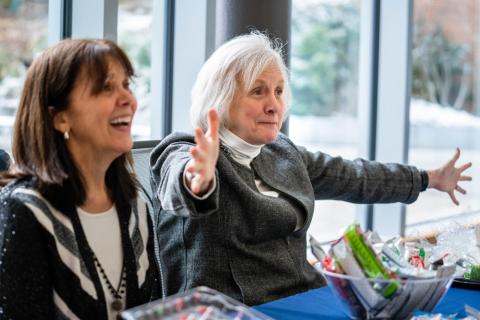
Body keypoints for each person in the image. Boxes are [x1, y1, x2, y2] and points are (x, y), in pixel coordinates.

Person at [150, 32, 472, 305]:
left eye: (278, 91)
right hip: (241, 310)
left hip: (306, 296)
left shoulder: (281, 153)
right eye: (258, 91)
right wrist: (198, 182)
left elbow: (354, 176)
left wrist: (427, 179)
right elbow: (182, 183)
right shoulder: (184, 150)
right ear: (220, 98)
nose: (273, 104)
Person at [0, 39, 160, 319]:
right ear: (60, 118)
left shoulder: (136, 203)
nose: (129, 100)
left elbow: (153, 311)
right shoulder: (25, 212)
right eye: (107, 88)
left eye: (127, 85)